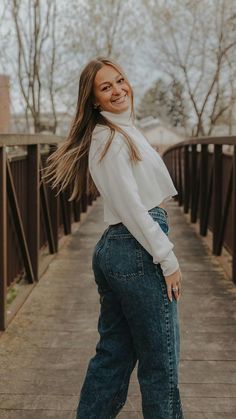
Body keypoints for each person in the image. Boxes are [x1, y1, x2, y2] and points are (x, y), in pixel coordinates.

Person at [44, 57, 184, 419]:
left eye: (120, 81)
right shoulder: (109, 139)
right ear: (94, 101)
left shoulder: (120, 131)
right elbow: (133, 208)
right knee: (161, 365)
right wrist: (167, 257)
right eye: (106, 87)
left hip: (120, 249)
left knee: (114, 356)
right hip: (136, 249)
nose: (118, 90)